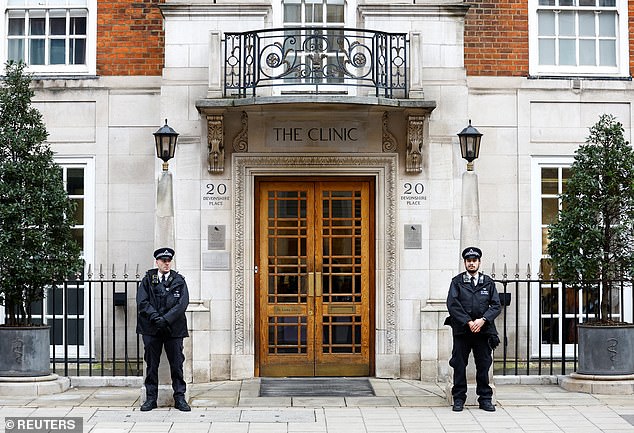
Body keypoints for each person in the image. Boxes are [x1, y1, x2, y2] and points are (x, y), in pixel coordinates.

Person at [446, 246, 501, 412]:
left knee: (484, 365)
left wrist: (483, 320)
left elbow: (496, 305)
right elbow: (452, 305)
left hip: (483, 331)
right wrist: (469, 322)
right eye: (468, 261)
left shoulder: (488, 282)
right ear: (465, 263)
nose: (471, 263)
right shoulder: (457, 282)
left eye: (474, 261)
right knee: (459, 364)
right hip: (463, 331)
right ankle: (459, 399)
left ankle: (485, 399)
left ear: (479, 262)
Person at [136, 247, 191, 411]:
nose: (166, 263)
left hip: (174, 329)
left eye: (169, 261)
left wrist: (165, 319)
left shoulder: (179, 280)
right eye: (163, 261)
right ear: (157, 262)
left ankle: (180, 398)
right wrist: (156, 318)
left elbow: (182, 304)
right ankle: (151, 399)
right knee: (152, 365)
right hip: (151, 329)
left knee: (177, 364)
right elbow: (142, 302)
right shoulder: (147, 279)